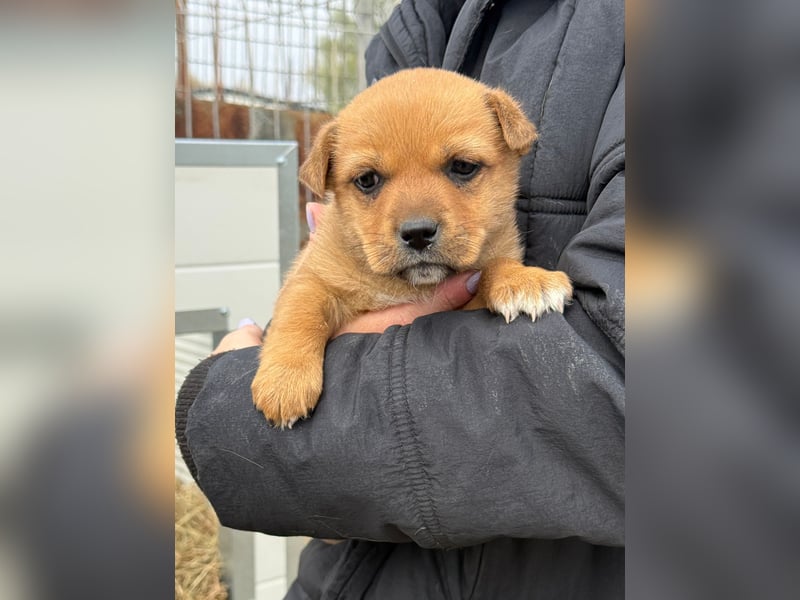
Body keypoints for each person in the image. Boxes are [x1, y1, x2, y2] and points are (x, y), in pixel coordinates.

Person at [176, 0, 625, 597]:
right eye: (368, 180)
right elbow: (312, 290)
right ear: (332, 182)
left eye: (462, 168)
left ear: (513, 148)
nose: (415, 218)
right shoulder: (414, 29)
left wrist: (500, 278)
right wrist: (290, 351)